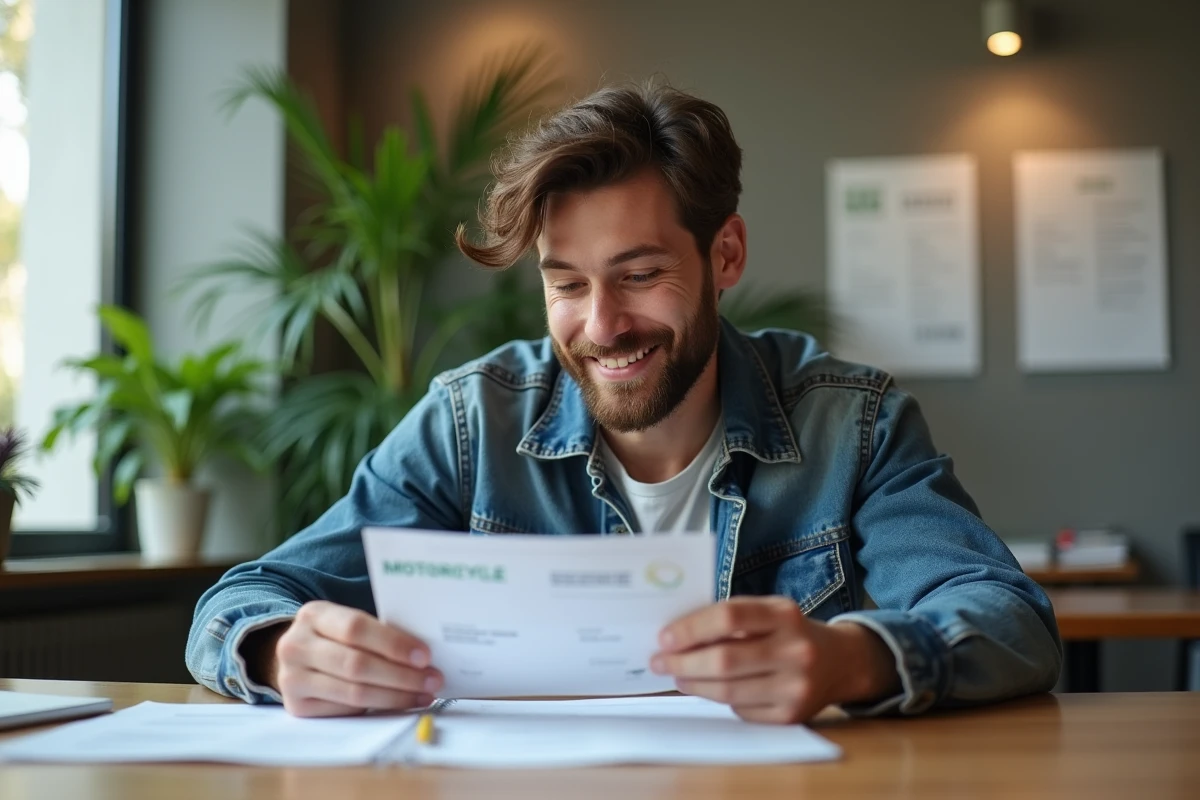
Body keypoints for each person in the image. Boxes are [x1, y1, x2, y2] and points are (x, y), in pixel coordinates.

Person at [187, 82, 1061, 723]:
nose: (601, 326)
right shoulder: (470, 424)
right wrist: (276, 648)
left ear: (724, 256)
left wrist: (852, 660)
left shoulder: (852, 423)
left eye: (640, 275)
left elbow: (1009, 618)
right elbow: (246, 598)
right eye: (566, 284)